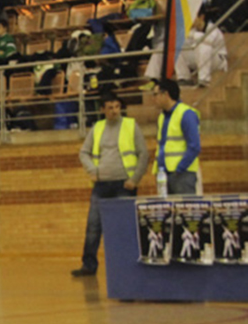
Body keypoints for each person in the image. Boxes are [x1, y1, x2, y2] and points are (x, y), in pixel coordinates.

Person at [72, 92, 148, 277]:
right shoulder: (97, 128)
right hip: (102, 185)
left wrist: (135, 179)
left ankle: (128, 263)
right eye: (110, 107)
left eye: (117, 107)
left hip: (125, 184)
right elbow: (84, 153)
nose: (114, 111)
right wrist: (93, 171)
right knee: (93, 227)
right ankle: (88, 265)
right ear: (102, 109)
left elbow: (143, 154)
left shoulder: (131, 125)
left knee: (125, 227)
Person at [152, 79, 201, 195]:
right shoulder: (162, 117)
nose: (154, 99)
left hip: (182, 174)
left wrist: (180, 168)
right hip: (164, 174)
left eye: (155, 94)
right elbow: (162, 145)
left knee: (185, 211)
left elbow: (194, 146)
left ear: (165, 94)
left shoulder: (186, 114)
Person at [176, 12, 227, 87]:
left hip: (217, 60)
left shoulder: (213, 28)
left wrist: (192, 35)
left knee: (203, 45)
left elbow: (208, 40)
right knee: (176, 48)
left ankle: (204, 79)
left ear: (201, 17)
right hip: (200, 58)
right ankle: (184, 77)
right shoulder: (192, 30)